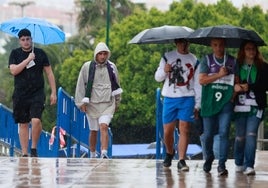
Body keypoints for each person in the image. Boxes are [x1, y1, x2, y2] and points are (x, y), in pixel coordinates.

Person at [8, 28, 57, 157]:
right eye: (23, 40)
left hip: (37, 93)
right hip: (20, 94)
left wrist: (53, 92)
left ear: (31, 39)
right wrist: (28, 60)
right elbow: (13, 71)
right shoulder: (15, 54)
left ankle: (34, 147)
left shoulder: (40, 53)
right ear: (19, 41)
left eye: (28, 39)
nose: (26, 42)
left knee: (36, 120)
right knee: (23, 123)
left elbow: (49, 73)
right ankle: (24, 153)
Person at [155, 38, 201, 171]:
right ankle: (170, 152)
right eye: (180, 42)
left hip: (187, 98)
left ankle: (182, 159)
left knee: (184, 128)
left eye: (186, 42)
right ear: (176, 43)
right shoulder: (167, 57)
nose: (183, 45)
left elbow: (197, 84)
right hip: (170, 97)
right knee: (167, 131)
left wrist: (197, 104)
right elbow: (158, 77)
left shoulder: (194, 60)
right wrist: (165, 70)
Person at [75, 42, 122, 159]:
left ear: (107, 54)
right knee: (93, 130)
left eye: (104, 53)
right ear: (96, 54)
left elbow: (117, 85)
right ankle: (92, 154)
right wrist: (81, 103)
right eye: (100, 54)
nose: (102, 56)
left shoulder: (112, 67)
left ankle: (104, 153)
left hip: (107, 103)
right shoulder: (87, 67)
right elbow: (81, 85)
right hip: (91, 104)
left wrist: (117, 102)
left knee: (104, 126)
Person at [199, 38, 238, 176]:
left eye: (221, 45)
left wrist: (232, 95)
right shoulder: (207, 60)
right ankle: (209, 157)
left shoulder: (232, 61)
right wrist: (219, 75)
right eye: (215, 45)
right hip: (209, 103)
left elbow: (237, 82)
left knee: (224, 132)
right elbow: (202, 80)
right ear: (211, 46)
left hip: (225, 103)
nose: (218, 48)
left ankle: (222, 164)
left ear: (225, 45)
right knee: (208, 134)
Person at [233, 41, 268, 175]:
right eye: (248, 49)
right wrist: (236, 87)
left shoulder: (263, 67)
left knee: (251, 134)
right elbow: (230, 82)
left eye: (253, 49)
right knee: (240, 136)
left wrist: (250, 87)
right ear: (243, 51)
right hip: (239, 106)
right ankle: (239, 162)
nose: (251, 51)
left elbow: (266, 85)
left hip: (256, 106)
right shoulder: (236, 65)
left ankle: (249, 165)